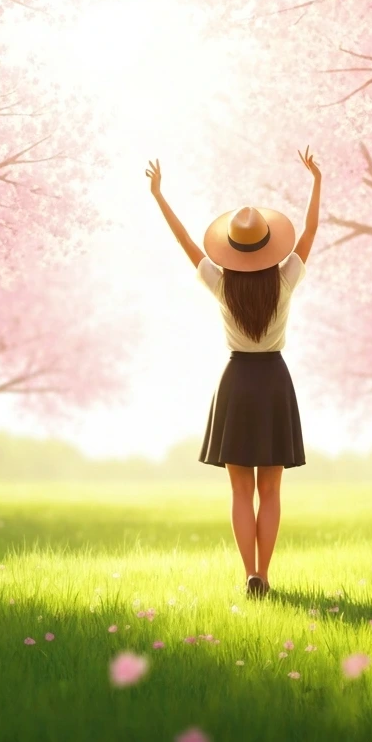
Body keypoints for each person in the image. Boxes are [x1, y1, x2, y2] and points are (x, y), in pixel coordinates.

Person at [146, 147, 321, 599]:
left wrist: (159, 196)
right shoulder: (285, 280)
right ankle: (268, 570)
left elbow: (186, 242)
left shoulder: (221, 284)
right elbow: (310, 231)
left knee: (241, 492)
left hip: (237, 382)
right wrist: (316, 182)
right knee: (272, 490)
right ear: (268, 244)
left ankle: (251, 576)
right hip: (274, 381)